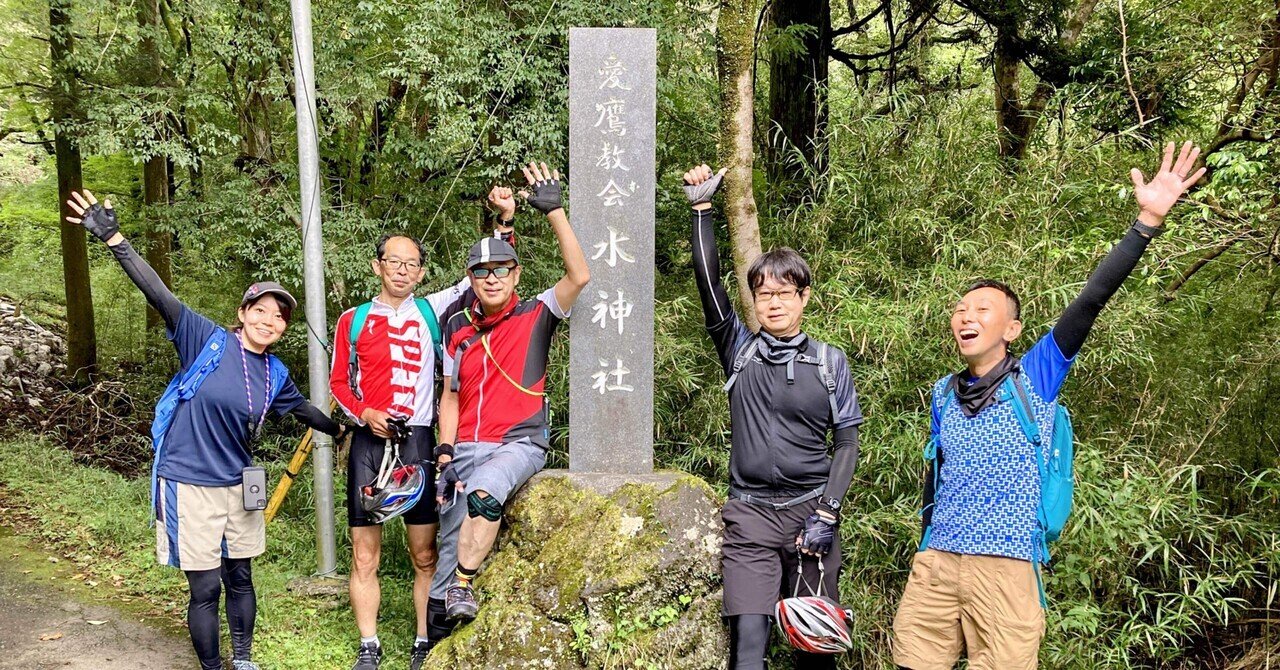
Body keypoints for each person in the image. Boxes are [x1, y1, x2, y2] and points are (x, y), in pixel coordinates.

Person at [891, 142, 1208, 670]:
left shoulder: (1034, 377)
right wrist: (926, 546)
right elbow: (935, 479)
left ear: (1011, 329)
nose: (966, 316)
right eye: (961, 309)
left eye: (983, 309)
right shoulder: (942, 393)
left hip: (1008, 566)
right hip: (938, 563)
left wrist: (1146, 221)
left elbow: (1091, 300)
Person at [65, 189, 344, 670]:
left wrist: (344, 428)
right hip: (189, 482)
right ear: (243, 313)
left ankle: (243, 660)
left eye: (279, 316)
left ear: (282, 329)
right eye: (260, 309)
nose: (269, 320)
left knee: (241, 577)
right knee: (206, 586)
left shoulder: (274, 374)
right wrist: (114, 238)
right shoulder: (203, 340)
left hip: (239, 487)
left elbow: (304, 411)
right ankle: (213, 668)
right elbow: (158, 292)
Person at [680, 164, 865, 670]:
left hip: (811, 514)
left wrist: (827, 514)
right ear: (755, 300)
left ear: (804, 297)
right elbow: (709, 285)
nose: (774, 302)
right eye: (764, 293)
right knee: (748, 651)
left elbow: (846, 443)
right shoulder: (739, 349)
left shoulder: (830, 362)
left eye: (785, 293)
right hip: (751, 518)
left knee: (815, 651)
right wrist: (701, 210)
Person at [328, 187, 517, 670]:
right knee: (364, 553)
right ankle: (368, 645)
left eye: (412, 264)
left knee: (425, 552)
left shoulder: (433, 309)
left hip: (418, 439)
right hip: (371, 441)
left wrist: (504, 221)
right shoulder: (353, 320)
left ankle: (420, 640)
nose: (403, 270)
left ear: (421, 272)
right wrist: (364, 413)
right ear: (378, 266)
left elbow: (487, 273)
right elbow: (337, 384)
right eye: (394, 261)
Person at [429, 161, 589, 627]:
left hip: (518, 444)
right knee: (445, 551)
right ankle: (434, 646)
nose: (492, 278)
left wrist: (554, 212)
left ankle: (464, 586)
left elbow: (578, 276)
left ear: (516, 276)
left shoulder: (536, 315)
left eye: (502, 270)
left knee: (485, 492)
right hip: (463, 449)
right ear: (472, 280)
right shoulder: (456, 327)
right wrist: (443, 453)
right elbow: (451, 395)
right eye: (482, 272)